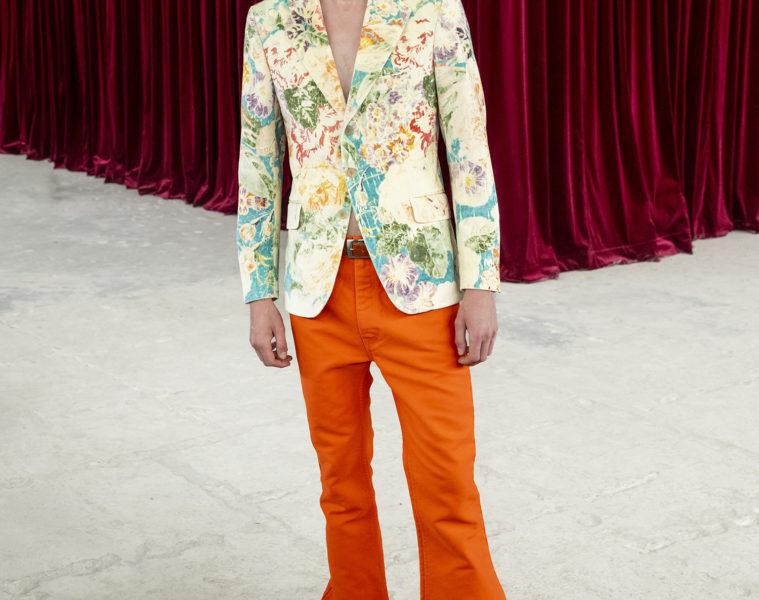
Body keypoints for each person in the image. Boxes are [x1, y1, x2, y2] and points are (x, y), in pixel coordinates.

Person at [236, 0, 507, 597]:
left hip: (422, 285)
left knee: (447, 483)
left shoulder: (433, 7)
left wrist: (480, 283)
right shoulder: (269, 18)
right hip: (318, 290)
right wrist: (260, 292)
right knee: (341, 486)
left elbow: (469, 149)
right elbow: (258, 164)